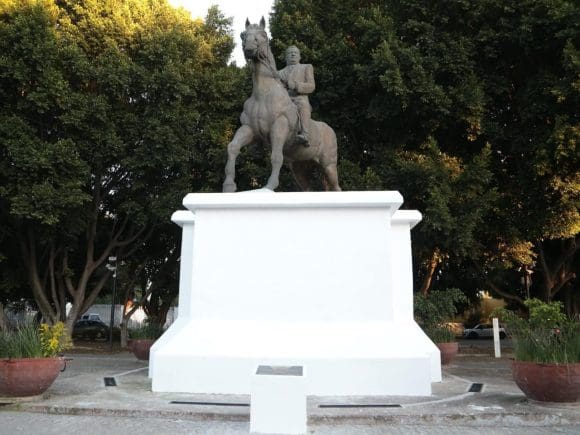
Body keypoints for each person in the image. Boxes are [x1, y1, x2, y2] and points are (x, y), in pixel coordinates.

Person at [278, 45, 315, 146]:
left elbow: (311, 86)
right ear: (286, 57)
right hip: (284, 101)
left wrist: (297, 86)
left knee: (303, 105)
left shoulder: (306, 67)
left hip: (299, 98)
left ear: (299, 57)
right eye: (290, 53)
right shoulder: (279, 73)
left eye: (295, 53)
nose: (293, 54)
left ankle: (305, 134)